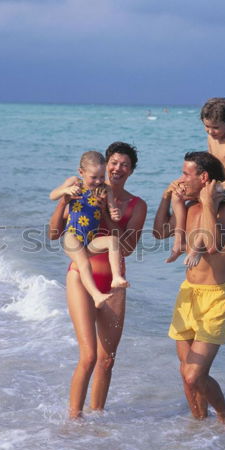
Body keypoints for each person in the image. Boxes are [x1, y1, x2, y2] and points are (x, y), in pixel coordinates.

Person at [48, 142, 147, 418]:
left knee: (107, 360)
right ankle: (74, 419)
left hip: (114, 284)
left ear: (131, 170)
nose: (118, 168)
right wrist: (64, 202)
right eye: (114, 162)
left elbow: (126, 248)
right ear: (105, 165)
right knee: (89, 356)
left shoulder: (136, 205)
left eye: (125, 165)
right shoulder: (80, 193)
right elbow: (55, 234)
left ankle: (98, 421)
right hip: (81, 277)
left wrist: (106, 211)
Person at [153, 151, 225, 424]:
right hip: (188, 294)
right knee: (186, 374)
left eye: (186, 174)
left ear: (203, 178)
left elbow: (213, 244)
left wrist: (209, 204)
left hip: (215, 300)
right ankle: (199, 425)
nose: (181, 179)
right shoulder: (189, 209)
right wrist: (167, 197)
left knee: (195, 374)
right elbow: (159, 232)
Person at [166, 97, 225, 266]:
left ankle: (198, 246)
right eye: (207, 127)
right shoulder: (211, 138)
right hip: (218, 184)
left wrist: (223, 186)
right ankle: (179, 241)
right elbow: (211, 165)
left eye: (215, 127)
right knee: (178, 195)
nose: (211, 131)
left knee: (210, 202)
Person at [49, 151, 129, 309]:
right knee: (83, 262)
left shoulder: (106, 188)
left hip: (91, 240)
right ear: (81, 172)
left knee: (113, 241)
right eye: (94, 177)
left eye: (101, 176)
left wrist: (115, 213)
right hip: (72, 235)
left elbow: (114, 213)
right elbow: (52, 195)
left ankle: (116, 277)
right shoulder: (74, 182)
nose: (98, 181)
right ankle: (96, 295)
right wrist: (65, 191)